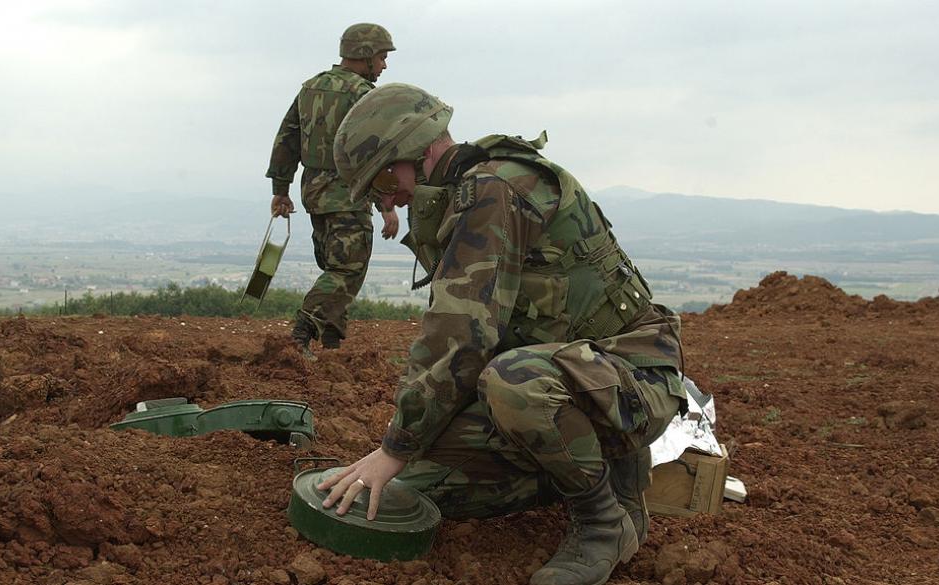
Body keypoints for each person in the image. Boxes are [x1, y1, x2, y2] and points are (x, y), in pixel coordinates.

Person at [319, 84, 688, 585]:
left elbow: (460, 338)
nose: (388, 198)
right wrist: (409, 451)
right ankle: (576, 464)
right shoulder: (463, 190)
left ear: (420, 149)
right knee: (428, 481)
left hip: (629, 379)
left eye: (384, 178)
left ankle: (606, 520)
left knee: (512, 382)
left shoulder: (492, 190)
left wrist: (395, 447)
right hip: (578, 378)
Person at [265, 23, 399, 353]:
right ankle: (303, 331)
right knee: (347, 268)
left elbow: (288, 138)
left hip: (313, 192)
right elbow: (376, 154)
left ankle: (331, 339)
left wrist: (281, 189)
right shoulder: (365, 96)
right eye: (382, 58)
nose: (384, 65)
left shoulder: (310, 88)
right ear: (365, 56)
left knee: (334, 265)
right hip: (347, 193)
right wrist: (387, 205)